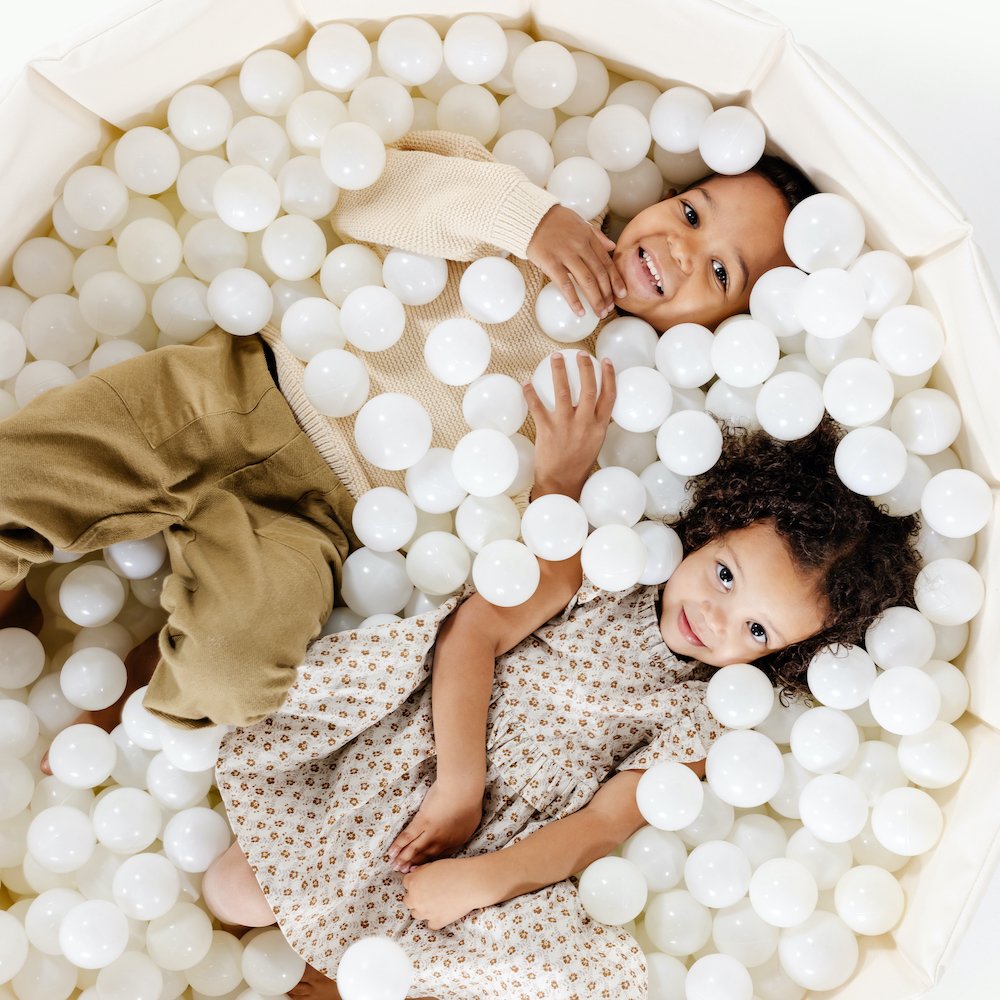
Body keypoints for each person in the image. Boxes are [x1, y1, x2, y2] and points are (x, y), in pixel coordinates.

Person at [0, 128, 816, 740]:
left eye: (719, 271)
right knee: (27, 477)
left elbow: (530, 574)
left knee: (234, 673)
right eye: (691, 211)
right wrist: (529, 221)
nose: (678, 248)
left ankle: (133, 699)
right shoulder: (544, 214)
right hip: (242, 391)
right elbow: (368, 190)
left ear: (732, 327)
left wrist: (560, 482)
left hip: (318, 523)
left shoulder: (644, 409)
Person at [203, 355, 920, 1000]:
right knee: (235, 891)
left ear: (778, 658)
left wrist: (482, 879)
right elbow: (473, 636)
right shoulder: (603, 573)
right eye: (724, 575)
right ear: (709, 529)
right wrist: (457, 786)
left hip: (507, 840)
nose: (718, 619)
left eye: (758, 631)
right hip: (423, 757)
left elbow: (603, 823)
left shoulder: (703, 718)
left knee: (539, 973)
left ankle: (344, 979)